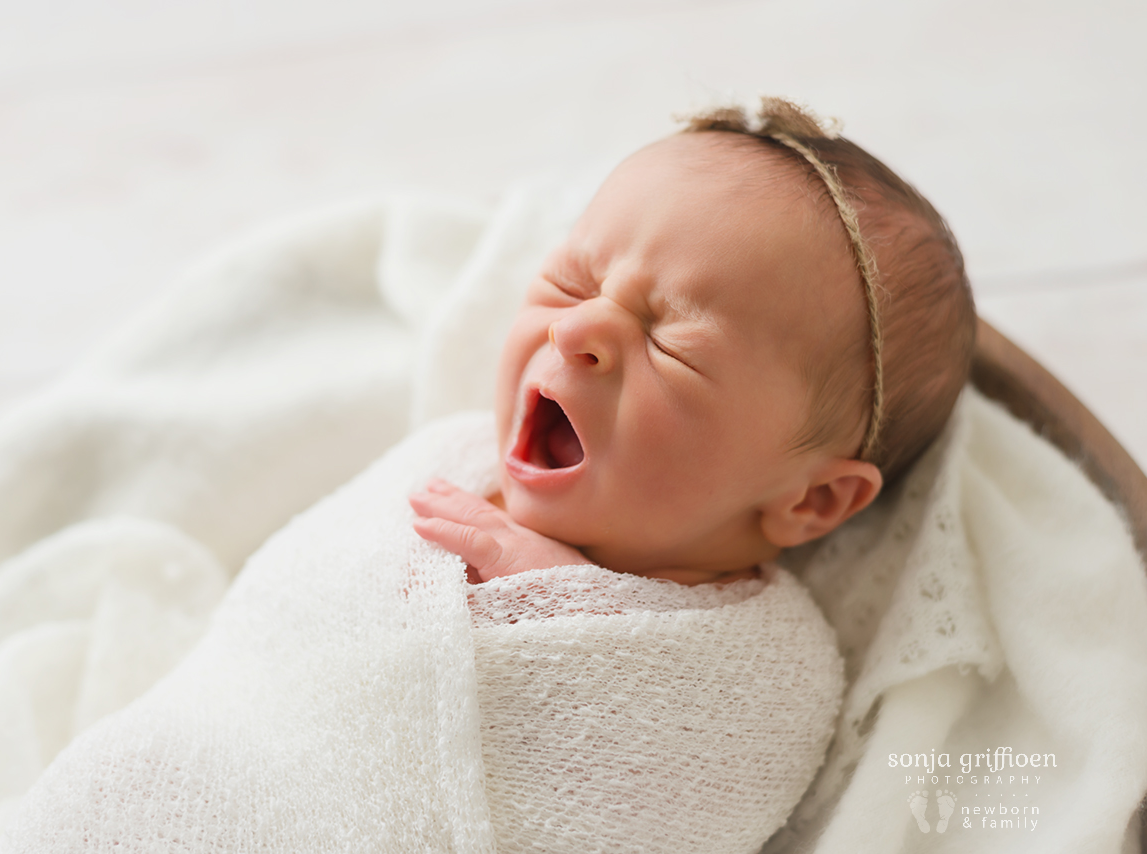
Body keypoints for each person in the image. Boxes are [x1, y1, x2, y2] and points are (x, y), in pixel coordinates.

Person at [410, 98, 975, 586]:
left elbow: (685, 713)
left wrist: (552, 598)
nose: (574, 330)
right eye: (572, 285)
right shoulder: (456, 453)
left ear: (810, 500)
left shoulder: (751, 652)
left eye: (672, 348)